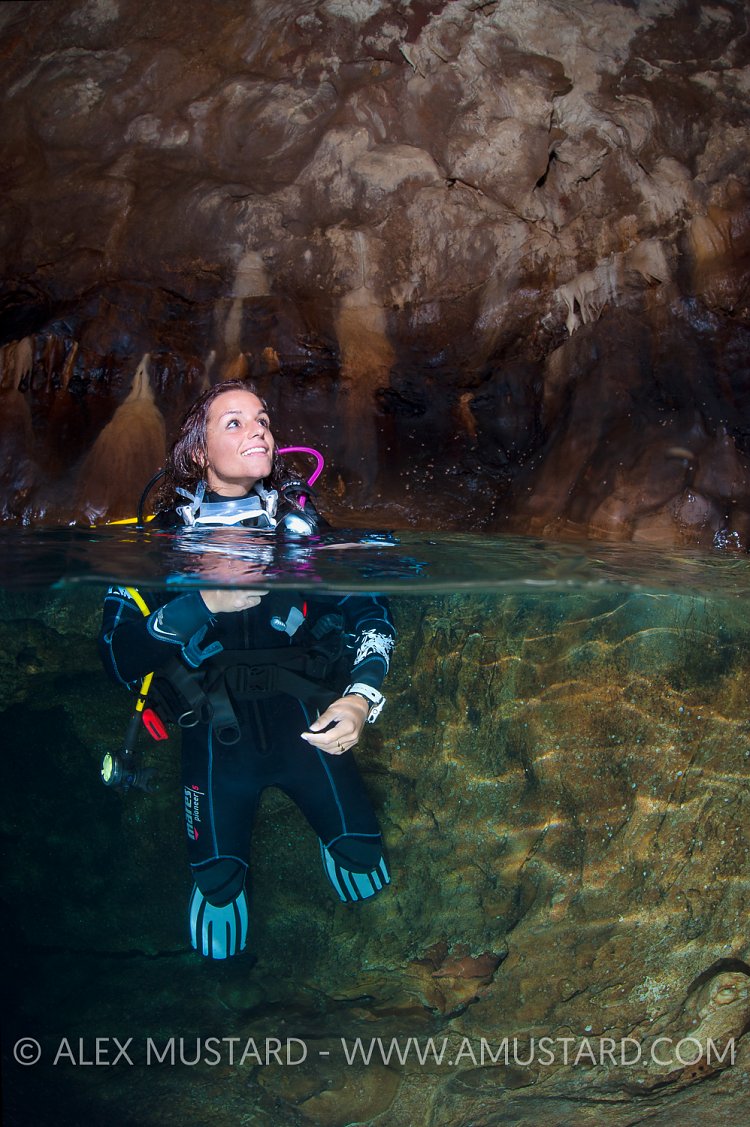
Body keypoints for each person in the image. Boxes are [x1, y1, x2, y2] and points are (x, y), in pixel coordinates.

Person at [98, 379, 396, 959]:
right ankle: (223, 892)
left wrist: (361, 696)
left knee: (362, 855)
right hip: (214, 739)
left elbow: (370, 609)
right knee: (218, 882)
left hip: (305, 728)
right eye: (233, 422)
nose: (258, 430)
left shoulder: (300, 533)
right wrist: (200, 604)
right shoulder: (156, 544)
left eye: (262, 419)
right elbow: (115, 657)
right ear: (198, 452)